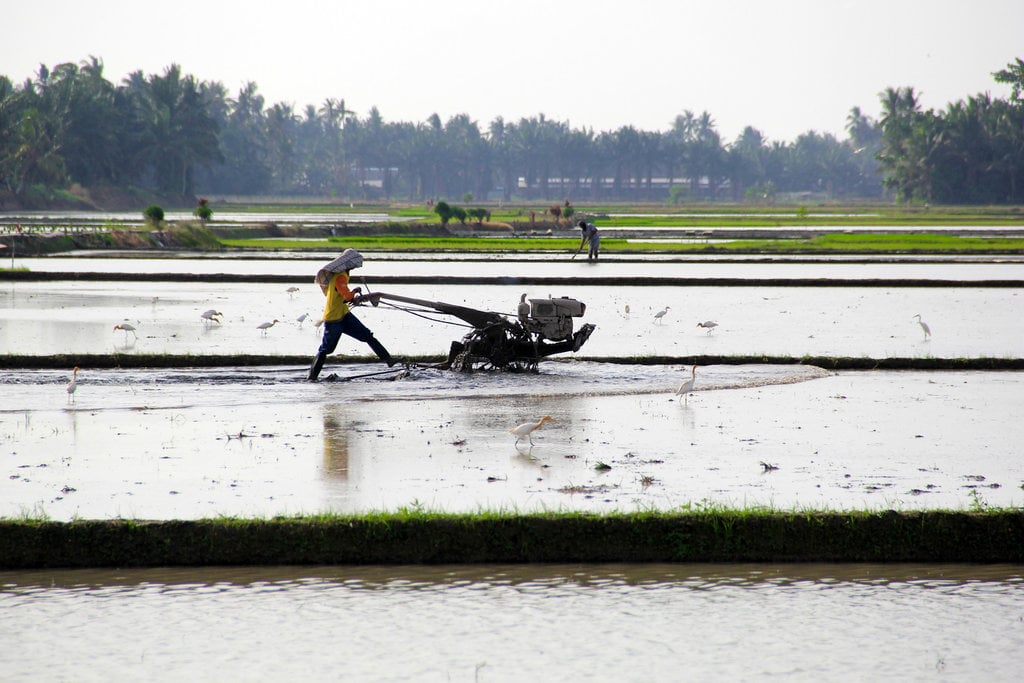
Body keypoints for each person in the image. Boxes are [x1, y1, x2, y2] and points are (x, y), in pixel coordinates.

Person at [308, 248, 396, 381]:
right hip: (334, 318)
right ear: (349, 263)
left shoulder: (341, 275)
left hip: (344, 314)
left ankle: (389, 360)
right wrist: (355, 291)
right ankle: (312, 377)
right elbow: (347, 296)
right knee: (326, 349)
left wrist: (352, 295)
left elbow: (344, 297)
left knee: (367, 335)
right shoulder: (340, 276)